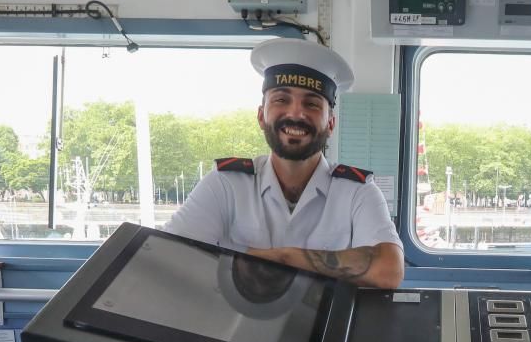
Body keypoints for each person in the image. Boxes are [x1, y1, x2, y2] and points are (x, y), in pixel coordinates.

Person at [163, 38, 404, 289]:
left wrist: (283, 258)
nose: (296, 113)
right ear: (261, 116)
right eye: (281, 100)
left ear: (331, 124)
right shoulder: (225, 183)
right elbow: (169, 255)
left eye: (312, 104)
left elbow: (389, 270)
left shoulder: (358, 191)